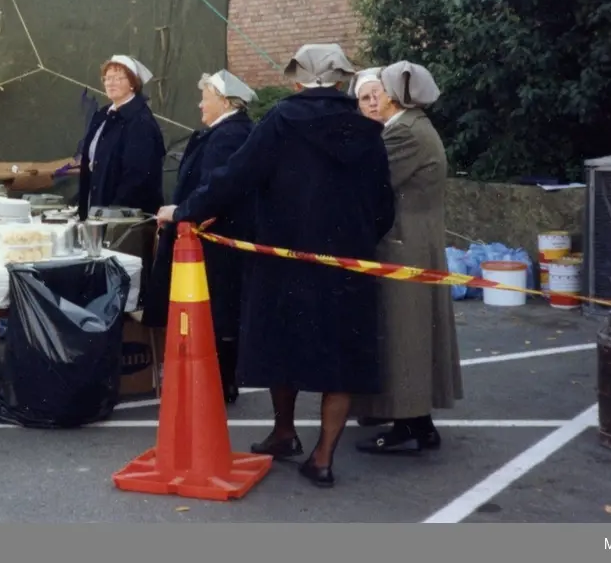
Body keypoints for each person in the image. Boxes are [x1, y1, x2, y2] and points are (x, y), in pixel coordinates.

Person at [156, 43, 395, 488]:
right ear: (342, 80)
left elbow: (235, 175)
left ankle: (284, 432)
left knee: (281, 344)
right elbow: (384, 206)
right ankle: (323, 456)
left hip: (283, 257)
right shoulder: (367, 130)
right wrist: (356, 239)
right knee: (340, 358)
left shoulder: (282, 121)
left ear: (298, 79)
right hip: (347, 260)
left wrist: (186, 209)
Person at [351, 61, 462, 453]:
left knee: (404, 338)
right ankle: (418, 423)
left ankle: (408, 424)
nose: (375, 96)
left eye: (380, 89)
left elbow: (370, 180)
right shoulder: (413, 127)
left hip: (404, 243)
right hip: (414, 241)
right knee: (410, 336)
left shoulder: (405, 134)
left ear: (395, 94)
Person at [145, 69, 255, 404]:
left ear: (223, 101)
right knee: (215, 311)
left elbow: (216, 188)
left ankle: (221, 383)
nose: (199, 104)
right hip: (208, 234)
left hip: (216, 239)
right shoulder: (225, 132)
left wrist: (180, 211)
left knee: (218, 311)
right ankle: (217, 381)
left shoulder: (228, 136)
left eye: (204, 98)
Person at [77, 55, 166, 220]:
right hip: (97, 210)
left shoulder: (140, 121)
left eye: (118, 78)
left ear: (133, 83)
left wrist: (114, 213)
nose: (111, 83)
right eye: (108, 78)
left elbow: (137, 176)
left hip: (121, 217)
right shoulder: (103, 115)